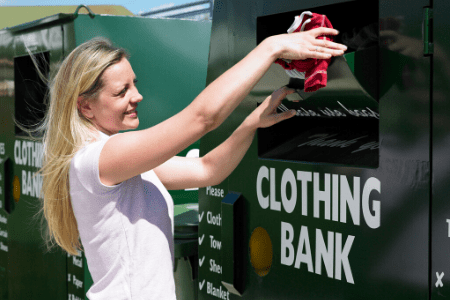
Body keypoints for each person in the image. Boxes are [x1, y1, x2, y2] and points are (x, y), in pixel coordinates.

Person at [35, 28, 346, 299]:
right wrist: (271, 47)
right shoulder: (103, 158)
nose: (138, 96)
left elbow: (207, 170)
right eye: (121, 92)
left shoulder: (119, 162)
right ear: (86, 106)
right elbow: (202, 118)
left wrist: (251, 123)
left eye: (134, 84)